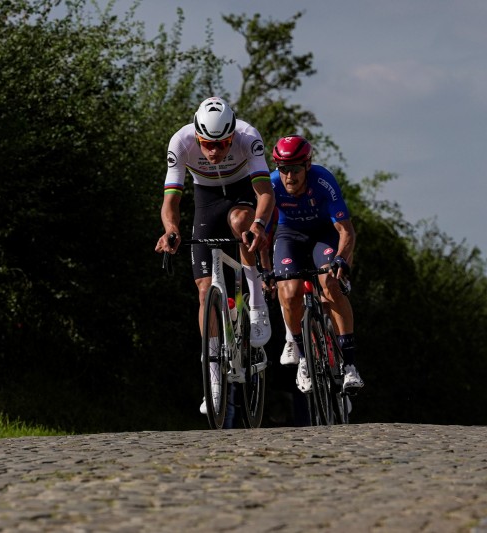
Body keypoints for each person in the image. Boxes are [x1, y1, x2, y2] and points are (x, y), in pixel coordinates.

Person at [155, 97, 275, 415]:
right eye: (207, 144)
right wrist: (171, 230)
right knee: (205, 291)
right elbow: (171, 201)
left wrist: (260, 225)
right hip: (206, 200)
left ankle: (257, 304)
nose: (214, 152)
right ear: (197, 136)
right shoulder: (180, 142)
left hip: (241, 195)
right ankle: (213, 380)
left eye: (222, 144)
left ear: (232, 135)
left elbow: (265, 193)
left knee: (241, 224)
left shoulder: (249, 137)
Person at [269, 135, 363, 394]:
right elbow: (265, 229)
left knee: (330, 284)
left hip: (324, 234)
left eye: (296, 169)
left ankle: (350, 367)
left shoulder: (323, 181)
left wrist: (341, 259)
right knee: (288, 292)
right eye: (284, 169)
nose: (289, 176)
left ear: (307, 166)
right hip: (289, 234)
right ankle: (302, 356)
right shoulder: (272, 184)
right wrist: (264, 270)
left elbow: (346, 232)